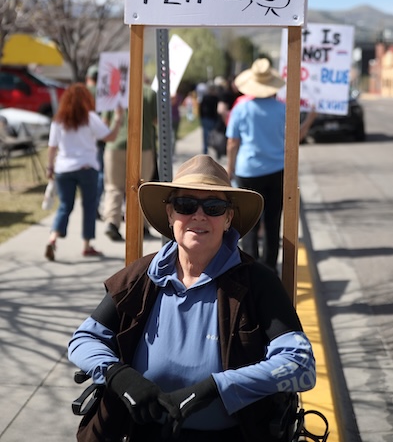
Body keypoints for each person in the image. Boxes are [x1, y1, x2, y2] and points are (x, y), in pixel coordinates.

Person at [68, 154, 316, 441]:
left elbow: (301, 365)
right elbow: (83, 339)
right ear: (170, 215)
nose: (199, 215)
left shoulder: (258, 282)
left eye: (213, 207)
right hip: (143, 434)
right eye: (185, 205)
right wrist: (117, 375)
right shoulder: (141, 276)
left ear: (228, 219)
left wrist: (218, 387)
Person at [225, 58, 316, 271]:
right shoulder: (283, 109)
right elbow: (295, 139)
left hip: (247, 171)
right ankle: (269, 267)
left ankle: (249, 267)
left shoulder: (241, 109)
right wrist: (310, 119)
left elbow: (232, 143)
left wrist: (229, 169)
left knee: (247, 222)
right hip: (277, 171)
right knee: (273, 220)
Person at [44, 83, 123, 261]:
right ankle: (87, 245)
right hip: (87, 168)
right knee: (89, 206)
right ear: (86, 99)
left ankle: (53, 238)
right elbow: (110, 137)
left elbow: (52, 147)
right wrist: (118, 118)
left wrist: (50, 167)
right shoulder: (90, 118)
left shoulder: (58, 120)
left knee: (65, 206)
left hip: (63, 168)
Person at [103, 83, 158, 242]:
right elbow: (156, 120)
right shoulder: (149, 93)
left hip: (115, 146)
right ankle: (139, 225)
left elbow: (105, 122)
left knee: (114, 187)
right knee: (140, 187)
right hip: (143, 145)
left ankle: (112, 222)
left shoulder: (114, 92)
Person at [85, 64, 105, 220]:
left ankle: (89, 206)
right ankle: (94, 207)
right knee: (100, 175)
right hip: (100, 138)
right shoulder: (102, 93)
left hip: (84, 139)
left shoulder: (82, 93)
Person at [199, 84, 219, 155]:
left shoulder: (207, 97)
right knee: (213, 135)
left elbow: (200, 107)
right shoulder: (215, 98)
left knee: (206, 135)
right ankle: (212, 150)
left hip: (207, 118)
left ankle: (206, 150)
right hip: (210, 118)